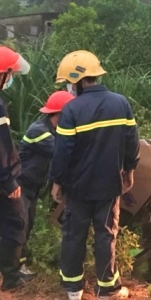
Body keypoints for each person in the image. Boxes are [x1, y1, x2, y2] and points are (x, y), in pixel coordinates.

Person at [49, 50, 140, 300]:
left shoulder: (71, 110)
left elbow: (63, 151)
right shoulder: (120, 103)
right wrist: (130, 169)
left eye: (68, 81)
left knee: (73, 235)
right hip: (110, 185)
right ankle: (106, 290)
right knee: (106, 234)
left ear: (76, 80)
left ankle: (73, 289)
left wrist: (56, 181)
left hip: (77, 187)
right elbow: (132, 142)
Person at [17, 91, 75, 275]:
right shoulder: (39, 131)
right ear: (60, 114)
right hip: (19, 186)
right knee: (20, 226)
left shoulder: (54, 131)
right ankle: (12, 270)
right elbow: (61, 154)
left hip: (31, 188)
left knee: (27, 225)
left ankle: (18, 266)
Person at [0, 46, 34, 291]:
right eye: (8, 75)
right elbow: (1, 147)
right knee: (16, 220)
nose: (10, 79)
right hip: (3, 178)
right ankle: (11, 277)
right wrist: (9, 180)